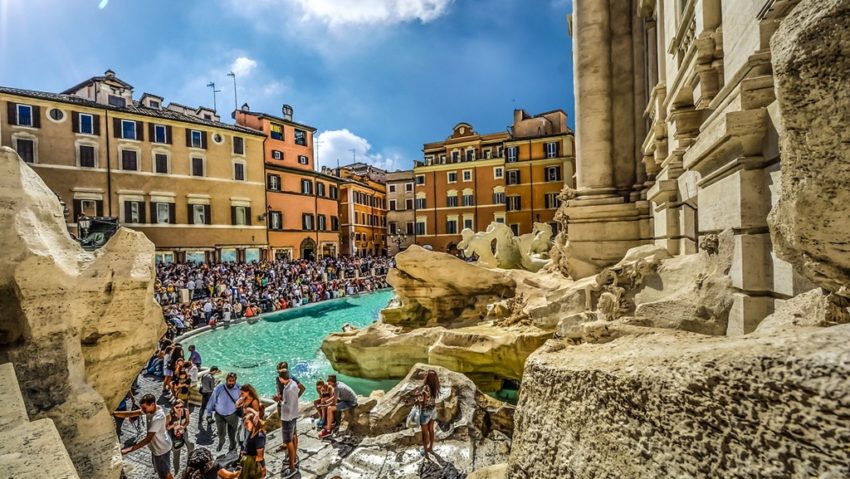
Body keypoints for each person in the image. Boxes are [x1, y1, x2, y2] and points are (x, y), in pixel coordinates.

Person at [113, 393, 173, 479]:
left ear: (152, 404)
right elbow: (132, 414)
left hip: (162, 450)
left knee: (165, 474)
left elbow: (148, 439)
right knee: (160, 471)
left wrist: (128, 450)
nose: (142, 410)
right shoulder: (150, 409)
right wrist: (115, 413)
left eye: (144, 408)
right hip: (157, 448)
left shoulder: (158, 417)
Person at [206, 372, 241, 452]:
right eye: (230, 380)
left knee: (232, 435)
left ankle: (231, 449)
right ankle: (221, 442)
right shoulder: (219, 388)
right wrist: (209, 414)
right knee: (221, 434)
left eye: (233, 381)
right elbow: (212, 401)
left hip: (233, 415)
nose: (231, 382)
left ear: (235, 380)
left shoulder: (239, 388)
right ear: (226, 380)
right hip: (220, 415)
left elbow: (243, 400)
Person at [276, 369, 299, 475]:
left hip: (287, 418)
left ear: (281, 378)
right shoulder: (293, 384)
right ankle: (294, 459)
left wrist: (279, 401)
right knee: (294, 437)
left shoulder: (288, 389)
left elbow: (287, 406)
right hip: (294, 415)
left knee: (288, 441)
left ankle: (292, 468)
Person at [167, 400, 195, 474]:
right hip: (173, 434)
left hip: (182, 430)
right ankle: (176, 470)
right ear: (173, 407)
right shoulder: (170, 415)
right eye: (177, 407)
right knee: (176, 452)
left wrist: (182, 427)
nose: (180, 409)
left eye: (181, 406)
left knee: (191, 444)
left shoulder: (185, 411)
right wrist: (174, 426)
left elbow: (187, 422)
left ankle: (189, 464)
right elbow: (166, 428)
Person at [416, 370, 440, 457]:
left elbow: (423, 401)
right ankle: (430, 448)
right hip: (433, 411)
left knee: (424, 432)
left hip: (425, 412)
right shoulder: (436, 386)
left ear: (428, 377)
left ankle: (425, 452)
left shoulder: (426, 387)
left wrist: (418, 397)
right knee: (431, 430)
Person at [240, 408, 267, 479]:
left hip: (256, 467)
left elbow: (260, 457)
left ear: (254, 422)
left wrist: (247, 458)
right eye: (244, 424)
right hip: (251, 466)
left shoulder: (259, 437)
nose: (245, 426)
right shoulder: (252, 432)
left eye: (246, 423)